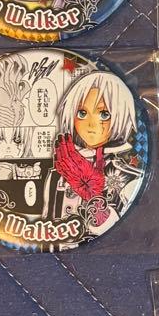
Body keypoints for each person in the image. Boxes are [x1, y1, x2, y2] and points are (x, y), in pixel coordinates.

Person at [49, 70, 143, 232]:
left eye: (104, 114)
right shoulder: (62, 169)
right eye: (82, 113)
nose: (91, 125)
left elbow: (128, 229)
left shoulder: (127, 176)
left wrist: (94, 199)